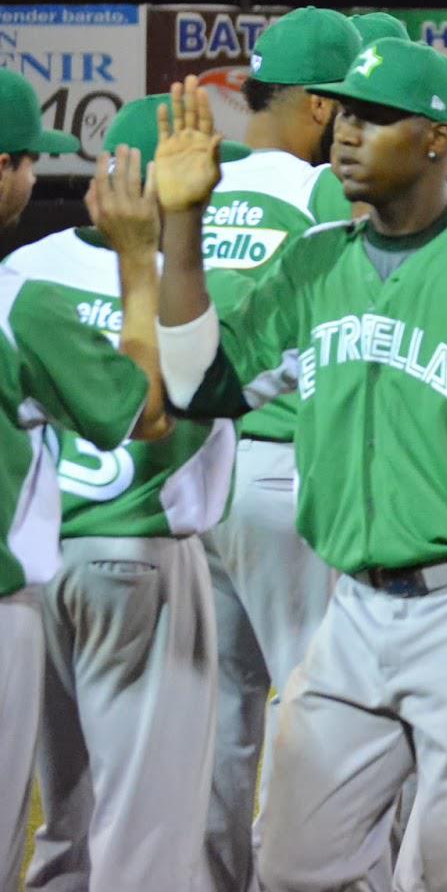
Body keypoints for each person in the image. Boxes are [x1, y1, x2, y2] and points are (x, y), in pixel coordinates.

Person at [152, 46, 447, 890]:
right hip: (350, 619)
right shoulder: (314, 261)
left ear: (434, 138)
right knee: (295, 864)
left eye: (374, 117)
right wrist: (182, 228)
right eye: (343, 114)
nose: (346, 134)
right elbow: (200, 387)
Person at [10, 97, 239, 890]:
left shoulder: (21, 274)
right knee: (146, 837)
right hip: (143, 558)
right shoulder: (201, 288)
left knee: (61, 824)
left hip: (42, 568)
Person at [198, 4, 359, 892]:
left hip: (185, 476)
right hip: (281, 464)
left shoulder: (199, 179)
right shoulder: (320, 191)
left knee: (220, 713)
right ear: (324, 108)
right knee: (312, 698)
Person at [0, 73, 170, 888]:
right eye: (29, 161)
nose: (35, 181)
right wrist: (139, 264)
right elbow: (138, 410)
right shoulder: (21, 301)